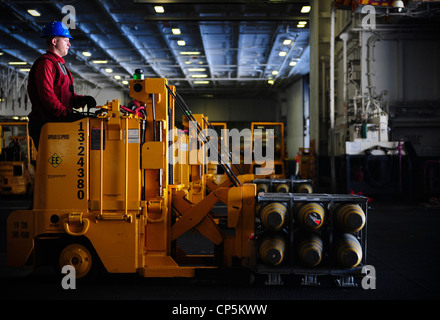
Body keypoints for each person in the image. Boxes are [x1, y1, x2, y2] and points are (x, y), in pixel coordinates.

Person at [28, 21, 96, 149]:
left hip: (58, 123)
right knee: (55, 166)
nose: (69, 44)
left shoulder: (59, 65)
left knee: (64, 166)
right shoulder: (46, 64)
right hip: (47, 125)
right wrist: (66, 114)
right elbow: (47, 95)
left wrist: (81, 100)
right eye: (66, 40)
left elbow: (65, 94)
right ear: (54, 41)